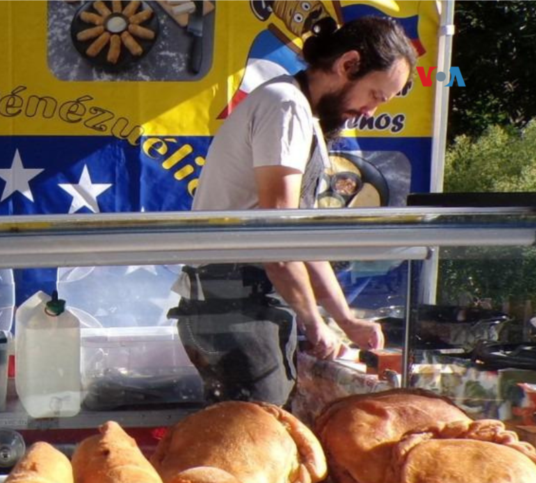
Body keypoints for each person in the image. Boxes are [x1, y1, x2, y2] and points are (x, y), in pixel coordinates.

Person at [172, 16, 416, 406]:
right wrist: (315, 324)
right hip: (233, 309)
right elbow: (278, 239)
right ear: (348, 65)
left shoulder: (301, 112)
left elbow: (300, 236)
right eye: (374, 94)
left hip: (240, 306)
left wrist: (344, 318)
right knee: (254, 446)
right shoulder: (285, 107)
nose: (370, 111)